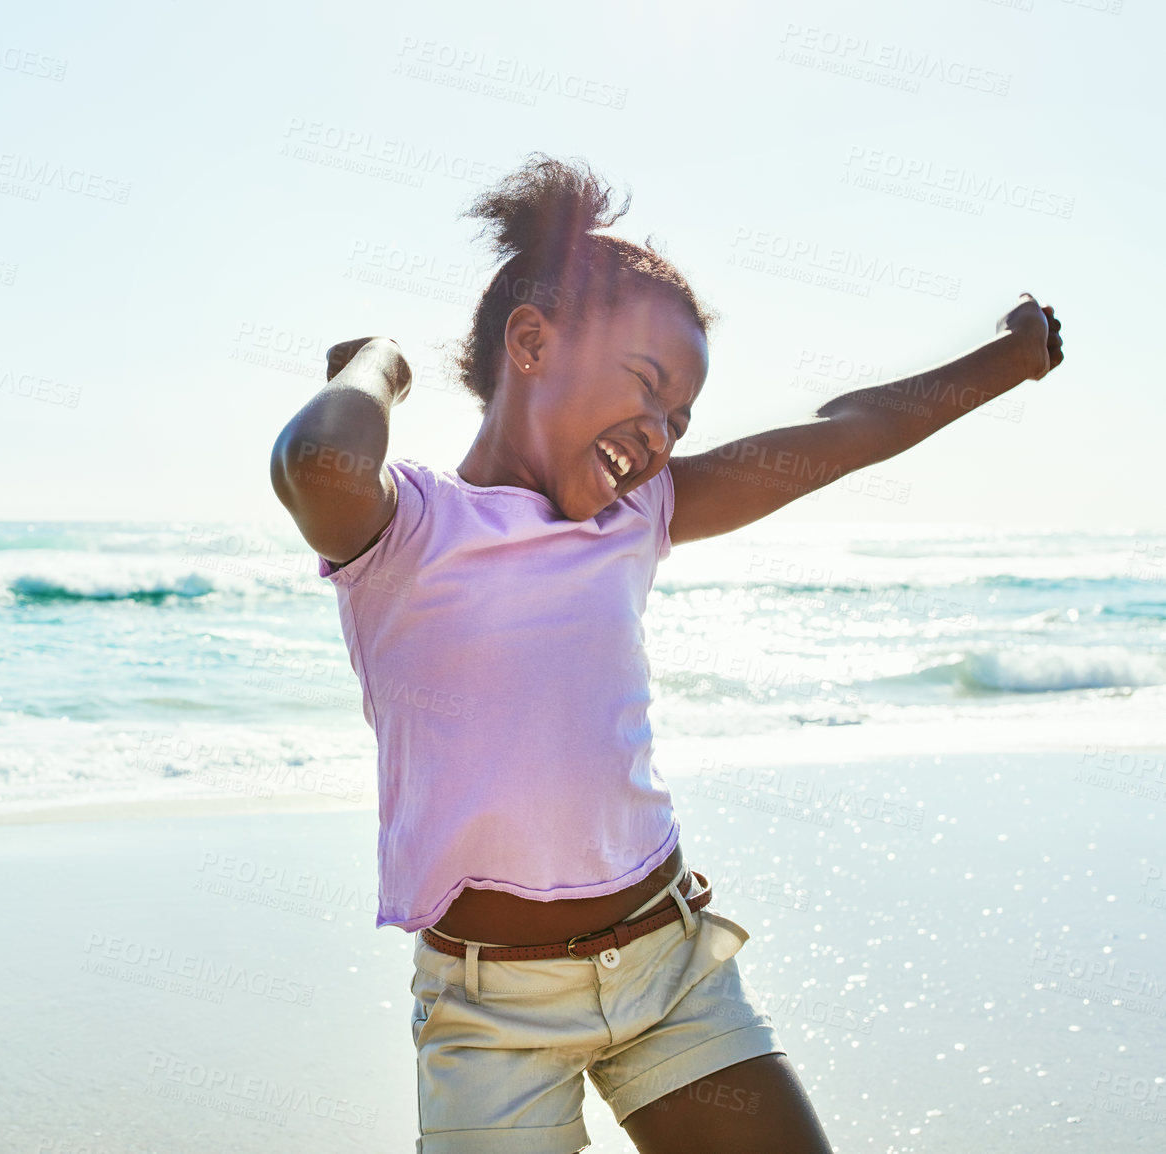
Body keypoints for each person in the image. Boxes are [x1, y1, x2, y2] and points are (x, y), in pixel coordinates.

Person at [267, 153, 1064, 1153]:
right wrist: (378, 359)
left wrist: (1012, 360)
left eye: (678, 419)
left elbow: (847, 433)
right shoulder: (413, 530)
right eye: (646, 386)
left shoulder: (646, 512)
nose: (657, 434)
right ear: (531, 341)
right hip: (489, 1019)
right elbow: (319, 460)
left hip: (667, 966)